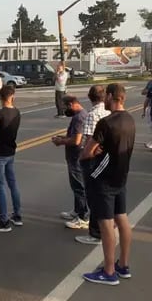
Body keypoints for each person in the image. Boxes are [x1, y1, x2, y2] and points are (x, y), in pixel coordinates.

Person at [81, 83, 135, 285]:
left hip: (103, 179)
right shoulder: (130, 119)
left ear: (112, 96)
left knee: (106, 224)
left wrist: (90, 154)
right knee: (122, 219)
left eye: (107, 95)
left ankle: (109, 270)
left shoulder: (106, 122)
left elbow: (88, 151)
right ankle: (124, 264)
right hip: (121, 177)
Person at [75, 85, 111, 245]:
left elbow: (89, 138)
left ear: (90, 97)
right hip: (105, 157)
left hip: (91, 159)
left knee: (92, 194)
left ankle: (95, 232)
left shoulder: (92, 114)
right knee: (102, 194)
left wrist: (84, 156)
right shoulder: (108, 112)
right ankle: (106, 225)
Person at [0, 85, 22, 233]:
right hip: (10, 151)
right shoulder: (17, 112)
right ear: (12, 96)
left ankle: (3, 219)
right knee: (12, 183)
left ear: (0, 98)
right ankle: (17, 214)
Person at [52, 95, 88, 229]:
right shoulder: (81, 115)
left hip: (76, 155)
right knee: (75, 184)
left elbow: (77, 140)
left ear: (72, 104)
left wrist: (61, 141)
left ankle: (83, 216)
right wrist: (63, 137)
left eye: (66, 106)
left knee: (78, 185)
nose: (65, 109)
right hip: (75, 155)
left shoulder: (79, 117)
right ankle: (77, 210)